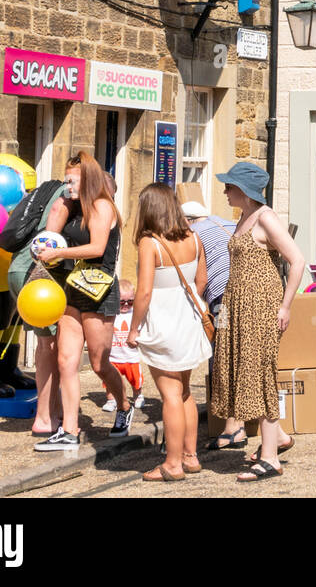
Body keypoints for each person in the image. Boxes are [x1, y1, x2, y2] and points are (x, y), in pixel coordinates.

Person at [207, 161, 307, 482]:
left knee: (258, 374)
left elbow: (297, 260)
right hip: (236, 305)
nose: (225, 191)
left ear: (245, 192)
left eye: (230, 187)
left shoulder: (265, 217)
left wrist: (285, 306)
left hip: (260, 306)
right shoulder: (243, 218)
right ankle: (275, 437)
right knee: (240, 370)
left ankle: (269, 459)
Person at [32, 151, 129, 451]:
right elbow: (55, 235)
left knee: (100, 364)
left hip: (99, 291)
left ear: (88, 179)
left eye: (72, 180)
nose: (67, 186)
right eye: (66, 179)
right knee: (66, 361)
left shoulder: (102, 206)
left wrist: (58, 254)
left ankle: (124, 405)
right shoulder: (73, 208)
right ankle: (70, 430)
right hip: (74, 288)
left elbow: (97, 247)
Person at [128, 184, 212, 481]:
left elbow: (144, 293)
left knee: (169, 394)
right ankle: (190, 456)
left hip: (163, 322)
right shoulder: (194, 236)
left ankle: (172, 463)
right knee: (185, 390)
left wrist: (134, 328)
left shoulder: (149, 243)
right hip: (188, 318)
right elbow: (201, 281)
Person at [182, 200, 243, 452]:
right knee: (238, 355)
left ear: (187, 220)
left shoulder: (193, 235)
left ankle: (232, 427)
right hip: (245, 295)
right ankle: (236, 423)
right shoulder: (227, 222)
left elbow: (198, 277)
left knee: (220, 355)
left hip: (223, 300)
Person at [101, 278, 145, 412]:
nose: (126, 304)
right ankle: (111, 399)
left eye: (130, 301)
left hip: (131, 357)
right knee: (110, 381)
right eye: (122, 301)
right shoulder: (111, 314)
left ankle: (138, 395)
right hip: (114, 357)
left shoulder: (135, 315)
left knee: (135, 381)